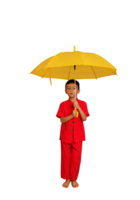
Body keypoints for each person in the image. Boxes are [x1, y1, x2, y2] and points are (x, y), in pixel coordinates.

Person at [55, 79, 90, 190]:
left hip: (79, 136)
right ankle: (66, 178)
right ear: (65, 91)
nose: (71, 91)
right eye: (68, 88)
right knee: (65, 157)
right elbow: (61, 120)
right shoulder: (62, 103)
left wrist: (78, 107)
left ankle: (74, 178)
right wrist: (71, 115)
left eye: (74, 88)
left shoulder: (83, 102)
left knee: (76, 158)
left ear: (79, 91)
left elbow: (85, 119)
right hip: (65, 136)